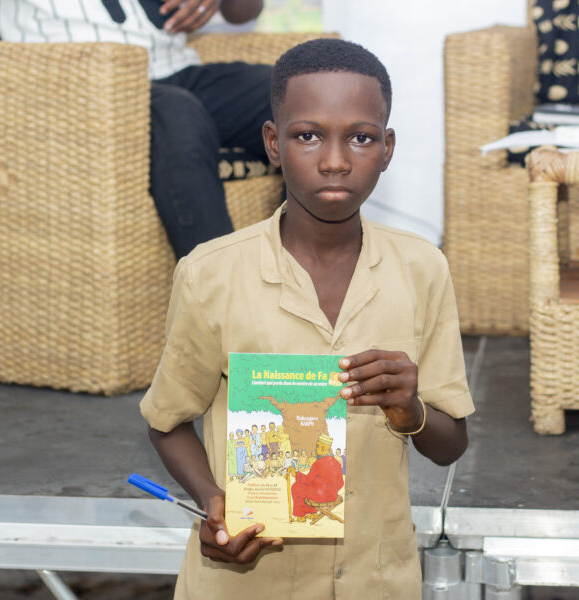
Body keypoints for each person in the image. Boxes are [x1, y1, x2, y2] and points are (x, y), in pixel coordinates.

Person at [141, 38, 473, 598]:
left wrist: (408, 408)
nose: (336, 159)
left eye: (361, 137)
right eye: (308, 135)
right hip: (248, 582)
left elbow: (451, 443)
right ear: (273, 142)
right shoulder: (211, 273)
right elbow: (166, 421)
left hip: (377, 579)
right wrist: (213, 502)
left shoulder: (422, 269)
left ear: (387, 147)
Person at [0, 0, 270, 258]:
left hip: (174, 69)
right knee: (177, 114)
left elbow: (242, 14)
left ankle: (301, 282)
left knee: (293, 96)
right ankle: (224, 301)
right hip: (75, 81)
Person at [290, 434, 342, 521]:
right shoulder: (336, 463)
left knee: (296, 487)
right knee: (311, 488)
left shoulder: (318, 463)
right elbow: (341, 483)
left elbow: (307, 480)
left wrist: (296, 474)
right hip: (332, 496)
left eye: (317, 446)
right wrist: (331, 490)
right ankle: (312, 513)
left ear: (322, 448)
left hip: (321, 497)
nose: (316, 449)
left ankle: (300, 516)